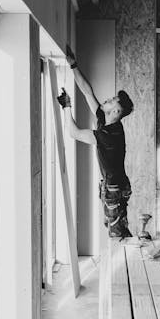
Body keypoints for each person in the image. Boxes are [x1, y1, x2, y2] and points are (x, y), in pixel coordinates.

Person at [56, 46, 134, 238]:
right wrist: (73, 64)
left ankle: (129, 264)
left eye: (111, 101)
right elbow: (87, 91)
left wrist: (67, 106)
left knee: (117, 234)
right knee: (117, 229)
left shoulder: (109, 135)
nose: (106, 100)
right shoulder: (106, 121)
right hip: (114, 185)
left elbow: (73, 133)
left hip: (114, 188)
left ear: (116, 112)